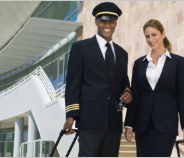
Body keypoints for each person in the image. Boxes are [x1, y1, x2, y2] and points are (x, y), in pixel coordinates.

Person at [63, 2, 132, 157]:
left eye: (111, 21)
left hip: (114, 120)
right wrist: (71, 114)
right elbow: (73, 83)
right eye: (103, 21)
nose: (107, 25)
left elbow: (123, 82)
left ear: (116, 23)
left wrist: (127, 91)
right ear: (96, 22)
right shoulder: (80, 48)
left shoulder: (122, 53)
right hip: (90, 119)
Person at [124, 19, 184, 157]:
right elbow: (135, 95)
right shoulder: (139, 63)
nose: (150, 39)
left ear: (163, 34)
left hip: (166, 124)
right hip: (143, 125)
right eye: (147, 36)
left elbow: (182, 96)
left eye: (154, 35)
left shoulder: (178, 62)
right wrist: (129, 124)